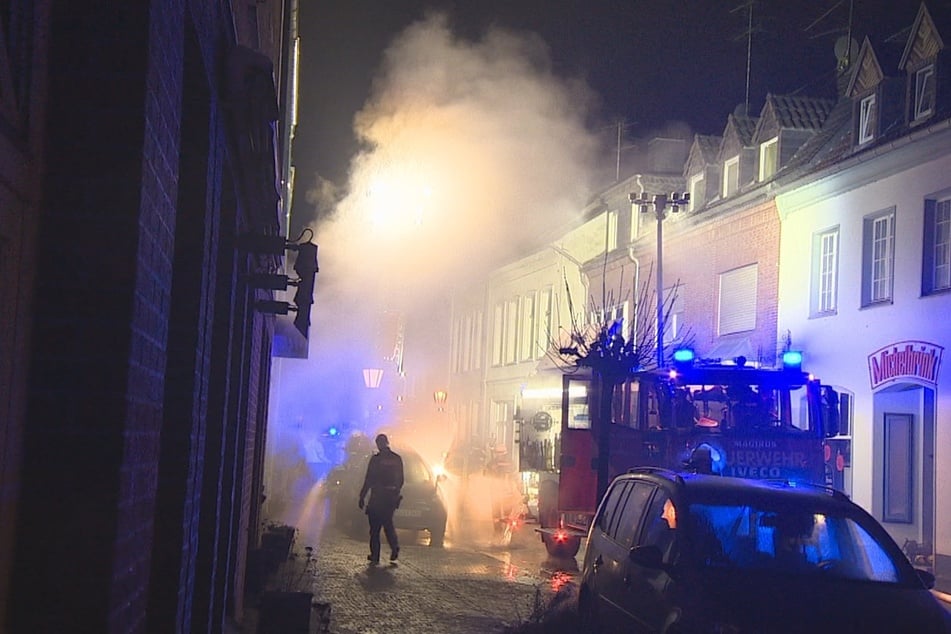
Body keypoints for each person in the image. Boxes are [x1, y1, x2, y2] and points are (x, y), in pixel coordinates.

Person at [358, 433, 404, 565]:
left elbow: (368, 480)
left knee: (375, 529)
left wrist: (362, 497)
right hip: (390, 499)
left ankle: (375, 555)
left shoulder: (376, 460)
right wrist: (395, 493)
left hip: (377, 498)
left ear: (378, 444)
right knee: (388, 524)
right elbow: (401, 480)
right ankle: (394, 547)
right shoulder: (397, 459)